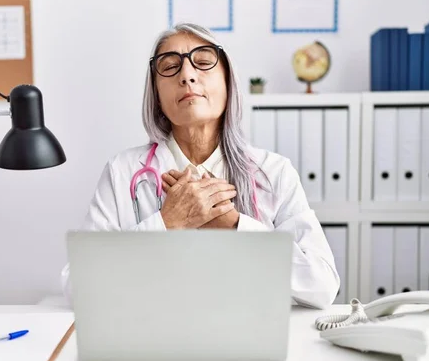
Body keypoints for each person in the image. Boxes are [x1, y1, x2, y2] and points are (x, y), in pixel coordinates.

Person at [61, 22, 340, 309]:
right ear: (156, 95)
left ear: (228, 83)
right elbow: (78, 287)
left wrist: (235, 226)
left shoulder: (274, 172)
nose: (187, 76)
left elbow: (322, 286)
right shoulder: (123, 171)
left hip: (244, 342)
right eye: (170, 67)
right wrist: (167, 222)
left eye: (204, 62)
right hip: (149, 341)